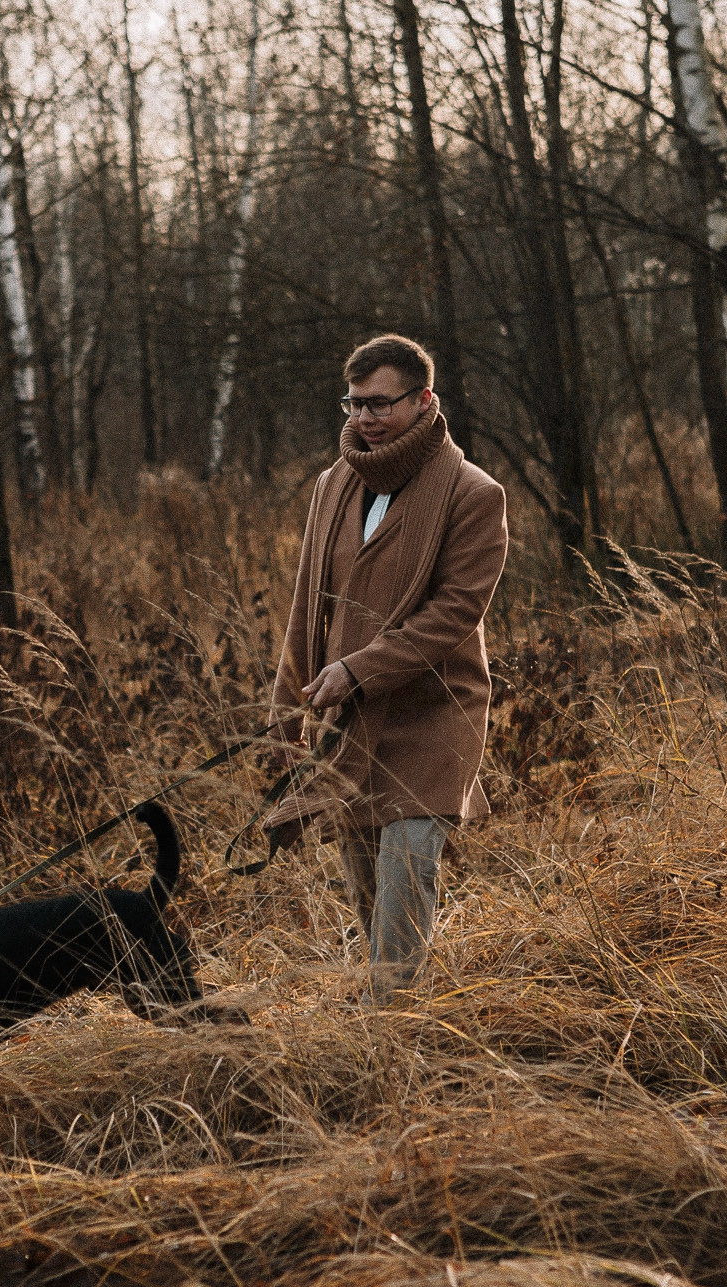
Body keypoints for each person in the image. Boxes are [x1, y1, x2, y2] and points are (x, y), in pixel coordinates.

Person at [265, 334, 508, 1003]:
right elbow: (303, 605)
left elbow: (454, 613)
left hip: (434, 722)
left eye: (379, 403)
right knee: (370, 897)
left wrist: (359, 667)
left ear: (424, 399)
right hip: (352, 728)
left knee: (405, 882)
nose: (364, 418)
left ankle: (390, 1042)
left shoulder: (473, 495)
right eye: (354, 402)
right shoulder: (332, 487)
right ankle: (395, 1035)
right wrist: (285, 713)